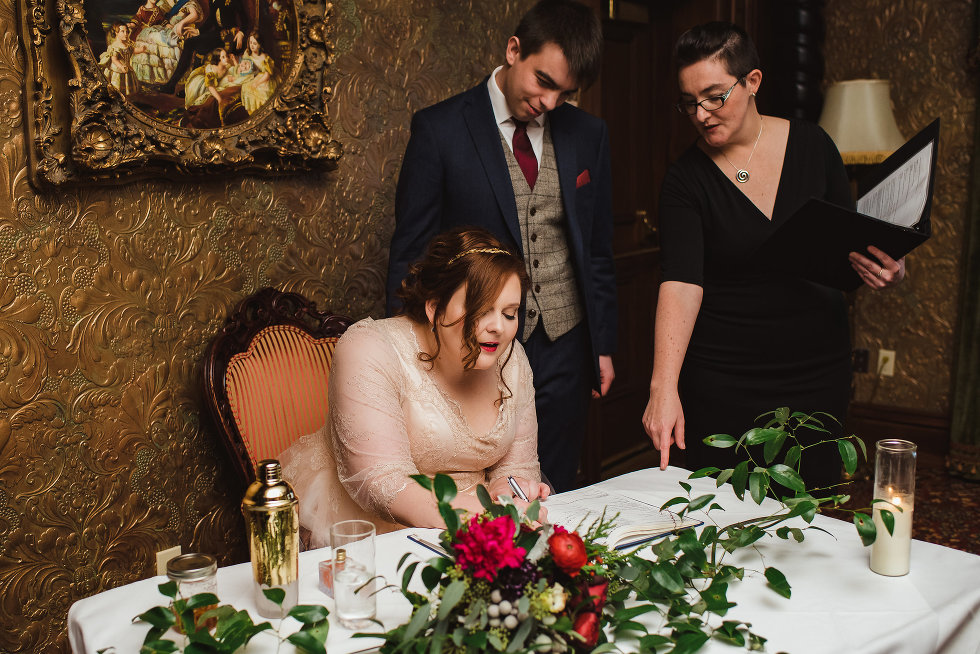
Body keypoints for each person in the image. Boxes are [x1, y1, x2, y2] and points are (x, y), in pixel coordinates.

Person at [642, 22, 906, 489]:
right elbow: (682, 283)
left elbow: (851, 241)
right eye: (689, 101)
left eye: (714, 96)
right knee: (726, 521)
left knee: (810, 511)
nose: (701, 114)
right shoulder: (685, 181)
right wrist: (663, 387)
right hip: (724, 380)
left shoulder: (813, 146)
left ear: (753, 82)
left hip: (816, 373)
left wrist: (888, 264)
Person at [386, 0, 617, 493]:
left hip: (565, 346)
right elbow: (412, 254)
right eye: (544, 82)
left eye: (566, 92)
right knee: (477, 491)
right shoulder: (440, 129)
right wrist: (410, 360)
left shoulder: (588, 134)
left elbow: (596, 250)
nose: (551, 102)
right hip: (473, 344)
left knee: (551, 490)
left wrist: (603, 346)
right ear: (514, 50)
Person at [281, 228, 550, 548]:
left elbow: (515, 466)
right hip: (372, 524)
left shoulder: (510, 358)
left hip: (476, 520)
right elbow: (382, 482)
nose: (499, 327)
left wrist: (509, 490)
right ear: (434, 308)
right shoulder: (369, 348)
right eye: (481, 311)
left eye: (509, 313)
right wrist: (483, 515)